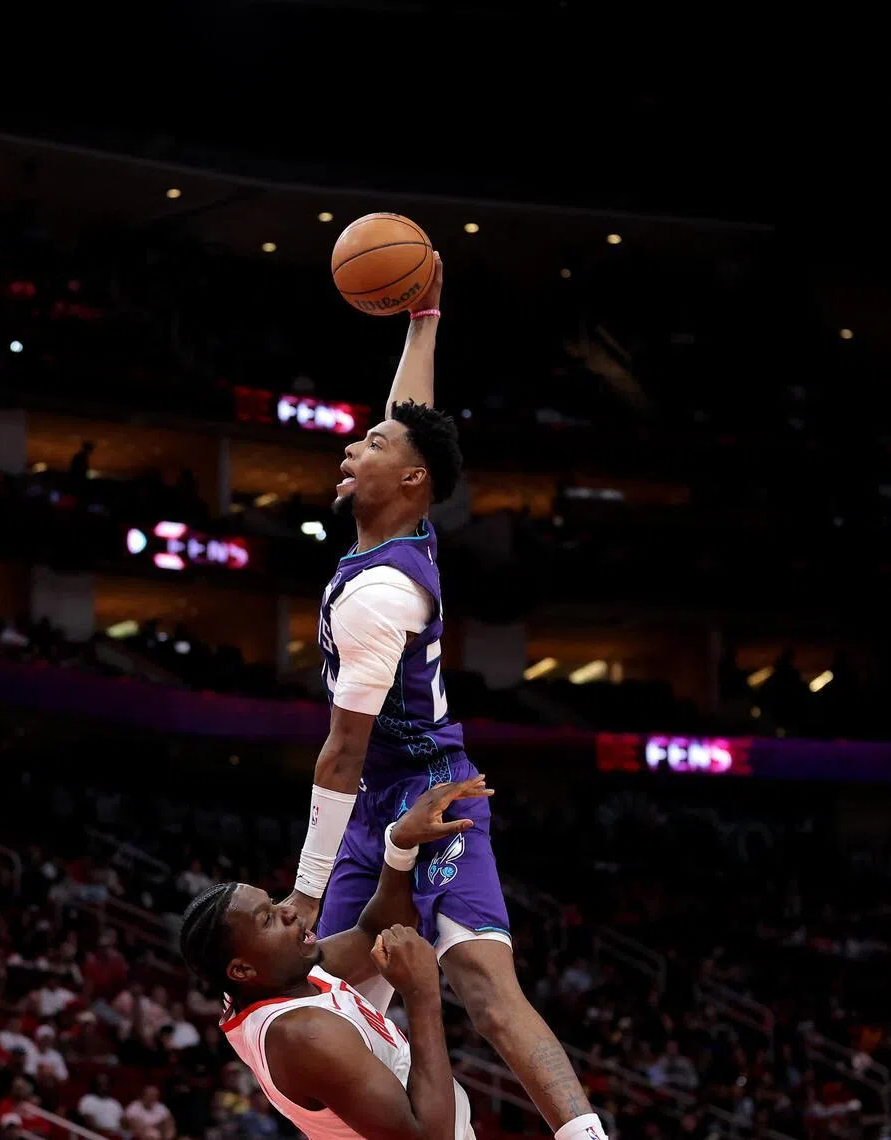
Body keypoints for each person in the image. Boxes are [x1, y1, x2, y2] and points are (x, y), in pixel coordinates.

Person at [282, 255, 604, 1140]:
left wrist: (305, 894)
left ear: (412, 482)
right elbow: (407, 424)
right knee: (331, 993)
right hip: (376, 805)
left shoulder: (382, 594)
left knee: (484, 989)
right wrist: (422, 320)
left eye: (372, 447)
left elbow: (343, 754)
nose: (354, 446)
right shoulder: (402, 528)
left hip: (429, 790)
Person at [180, 778, 487, 1140]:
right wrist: (422, 996)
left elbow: (375, 932)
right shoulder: (305, 1036)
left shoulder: (278, 977)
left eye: (273, 903)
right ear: (242, 969)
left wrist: (400, 844)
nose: (289, 912)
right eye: (268, 919)